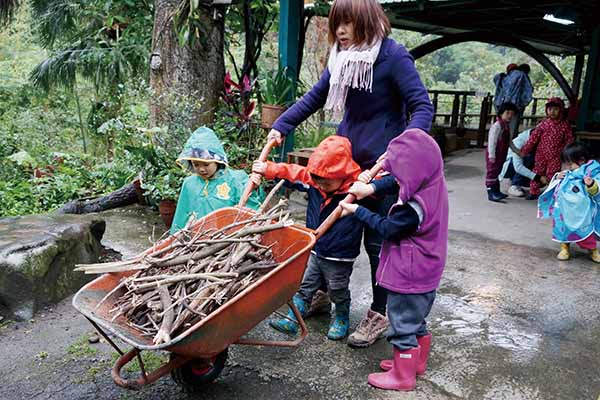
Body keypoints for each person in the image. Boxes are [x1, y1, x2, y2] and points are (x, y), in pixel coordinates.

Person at [265, 0, 434, 348]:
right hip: (344, 164)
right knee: (330, 232)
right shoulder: (341, 59)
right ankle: (324, 293)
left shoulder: (393, 57)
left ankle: (380, 312)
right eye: (336, 23)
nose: (340, 31)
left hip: (382, 168)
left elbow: (421, 106)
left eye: (347, 23)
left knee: (377, 244)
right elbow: (315, 96)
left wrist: (406, 146)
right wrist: (281, 125)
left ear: (367, 21)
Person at [338, 129, 448, 391]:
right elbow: (396, 180)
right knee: (415, 319)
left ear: (412, 171)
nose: (396, 176)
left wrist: (357, 210)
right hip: (427, 270)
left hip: (409, 273)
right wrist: (371, 188)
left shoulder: (413, 208)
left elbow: (386, 228)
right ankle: (414, 363)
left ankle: (403, 376)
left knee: (402, 325)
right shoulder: (432, 179)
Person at [252, 136, 363, 340]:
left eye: (327, 182)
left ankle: (341, 317)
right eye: (318, 181)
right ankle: (293, 320)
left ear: (344, 174)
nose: (321, 186)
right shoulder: (316, 182)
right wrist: (267, 168)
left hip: (340, 254)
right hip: (315, 247)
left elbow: (382, 187)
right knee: (305, 284)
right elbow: (292, 172)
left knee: (337, 288)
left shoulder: (356, 190)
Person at [169, 126, 263, 234]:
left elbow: (251, 209)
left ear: (217, 161)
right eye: (196, 165)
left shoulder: (235, 180)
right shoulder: (189, 184)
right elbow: (181, 216)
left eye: (206, 164)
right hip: (196, 241)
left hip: (227, 238)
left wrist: (254, 187)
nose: (201, 169)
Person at [538, 143, 600, 263]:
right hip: (565, 208)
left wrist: (591, 184)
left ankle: (592, 249)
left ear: (582, 160)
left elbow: (597, 189)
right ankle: (564, 246)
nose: (567, 167)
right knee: (564, 226)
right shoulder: (568, 172)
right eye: (565, 163)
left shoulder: (593, 171)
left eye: (569, 163)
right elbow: (557, 185)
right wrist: (557, 177)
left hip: (584, 209)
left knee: (586, 228)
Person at [521, 97, 574, 200]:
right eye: (550, 109)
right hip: (541, 154)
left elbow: (569, 140)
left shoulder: (565, 126)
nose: (552, 112)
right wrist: (524, 151)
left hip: (556, 156)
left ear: (561, 110)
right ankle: (533, 191)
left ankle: (550, 193)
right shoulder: (543, 124)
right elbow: (533, 139)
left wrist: (567, 155)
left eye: (555, 109)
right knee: (537, 171)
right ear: (546, 110)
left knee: (553, 174)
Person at [498, 128, 548, 197]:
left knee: (541, 183)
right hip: (508, 167)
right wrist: (539, 177)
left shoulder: (538, 139)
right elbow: (518, 167)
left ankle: (514, 180)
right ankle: (515, 185)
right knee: (527, 156)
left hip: (519, 167)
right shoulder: (520, 142)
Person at [486, 102, 518, 202]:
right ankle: (491, 193)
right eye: (507, 113)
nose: (509, 116)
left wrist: (516, 151)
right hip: (494, 154)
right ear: (501, 113)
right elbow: (492, 141)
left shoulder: (506, 126)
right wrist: (492, 155)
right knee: (492, 172)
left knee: (498, 172)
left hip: (501, 154)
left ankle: (496, 191)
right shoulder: (497, 126)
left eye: (512, 114)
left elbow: (509, 141)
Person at [493, 63, 534, 136]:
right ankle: (509, 145)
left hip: (500, 105)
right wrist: (522, 105)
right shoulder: (522, 75)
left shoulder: (503, 77)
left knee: (500, 124)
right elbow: (528, 92)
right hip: (515, 106)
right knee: (512, 128)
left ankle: (498, 143)